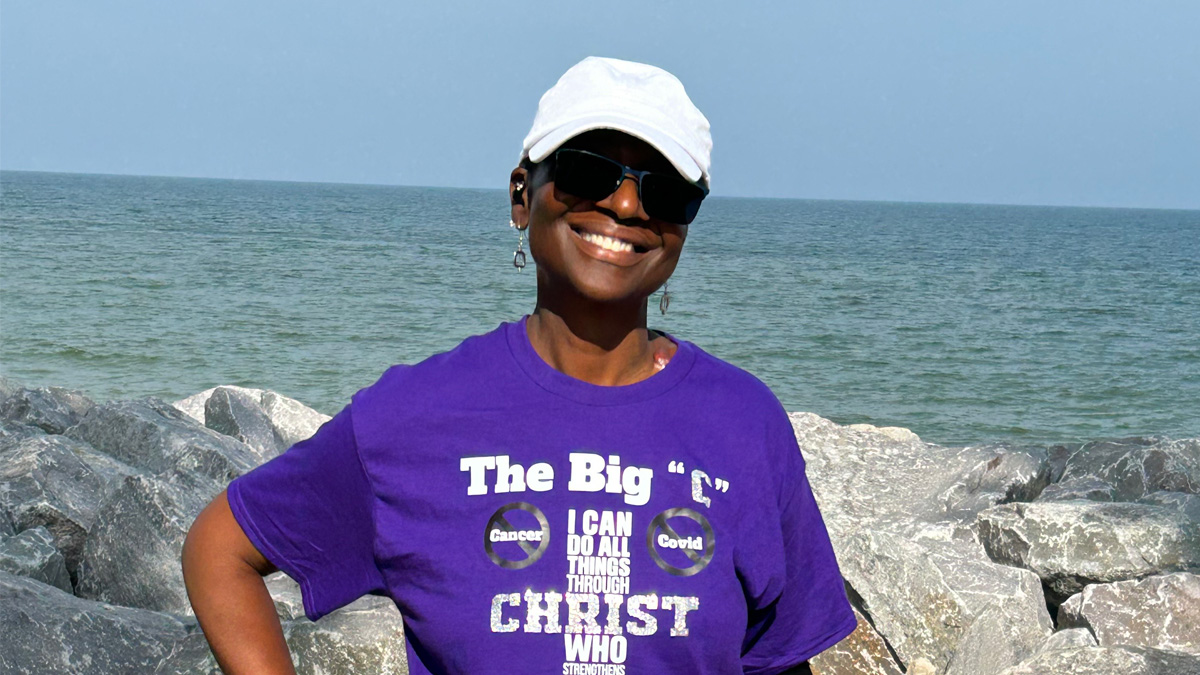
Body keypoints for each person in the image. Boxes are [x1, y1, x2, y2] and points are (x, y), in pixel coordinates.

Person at [181, 56, 856, 675]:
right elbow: (221, 550)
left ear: (684, 224)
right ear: (521, 194)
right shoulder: (415, 416)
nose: (625, 205)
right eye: (589, 171)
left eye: (664, 191)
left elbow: (779, 653)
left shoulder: (743, 422)